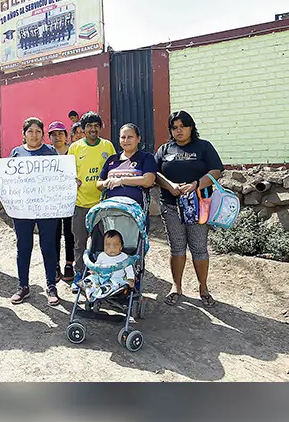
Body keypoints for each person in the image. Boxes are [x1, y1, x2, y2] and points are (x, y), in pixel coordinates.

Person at [154, 111, 224, 308]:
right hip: (171, 206)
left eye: (182, 126)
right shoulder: (165, 149)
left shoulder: (204, 147)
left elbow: (216, 171)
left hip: (198, 206)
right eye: (174, 127)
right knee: (176, 248)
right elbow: (155, 173)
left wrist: (196, 184)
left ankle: (203, 288)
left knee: (199, 248)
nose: (179, 130)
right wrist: (169, 186)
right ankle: (176, 287)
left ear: (191, 127)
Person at [3, 117, 62, 306]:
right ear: (23, 134)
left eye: (38, 131)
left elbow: (60, 176)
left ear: (43, 134)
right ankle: (23, 286)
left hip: (47, 209)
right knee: (24, 247)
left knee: (48, 246)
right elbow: (9, 179)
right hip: (23, 210)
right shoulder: (16, 153)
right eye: (30, 131)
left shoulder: (51, 152)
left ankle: (51, 285)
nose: (34, 135)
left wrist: (70, 181)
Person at [67, 111, 115, 280]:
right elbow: (68, 173)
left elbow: (114, 170)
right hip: (80, 205)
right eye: (89, 126)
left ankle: (98, 275)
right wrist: (73, 180)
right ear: (83, 129)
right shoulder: (75, 147)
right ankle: (79, 275)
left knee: (101, 242)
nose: (93, 129)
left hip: (102, 205)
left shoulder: (108, 146)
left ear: (100, 128)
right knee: (79, 243)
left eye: (96, 126)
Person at [96, 123, 157, 210]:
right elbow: (98, 184)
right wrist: (105, 183)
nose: (126, 140)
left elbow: (148, 181)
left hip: (135, 212)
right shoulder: (112, 159)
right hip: (111, 211)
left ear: (138, 139)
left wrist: (121, 180)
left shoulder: (146, 158)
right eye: (123, 137)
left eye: (130, 137)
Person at [73, 230, 135, 301]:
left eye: (115, 245)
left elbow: (130, 270)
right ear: (104, 246)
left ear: (121, 246)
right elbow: (97, 265)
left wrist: (131, 279)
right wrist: (94, 271)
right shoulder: (102, 255)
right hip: (101, 277)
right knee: (92, 278)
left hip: (116, 279)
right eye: (108, 245)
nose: (111, 248)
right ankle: (90, 290)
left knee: (114, 284)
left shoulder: (124, 257)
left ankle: (101, 291)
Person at [48, 120, 75, 280]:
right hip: (51, 201)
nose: (57, 137)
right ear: (49, 137)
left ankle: (69, 263)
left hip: (70, 199)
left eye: (60, 133)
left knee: (70, 232)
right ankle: (56, 264)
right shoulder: (46, 153)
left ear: (66, 136)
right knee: (54, 233)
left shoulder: (73, 152)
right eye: (53, 134)